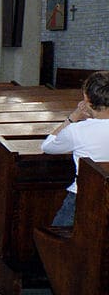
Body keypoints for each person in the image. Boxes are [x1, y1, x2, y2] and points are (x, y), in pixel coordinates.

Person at [41, 70, 109, 226]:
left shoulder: (77, 130)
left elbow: (48, 147)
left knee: (58, 234)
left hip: (81, 199)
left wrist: (75, 116)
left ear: (86, 99)